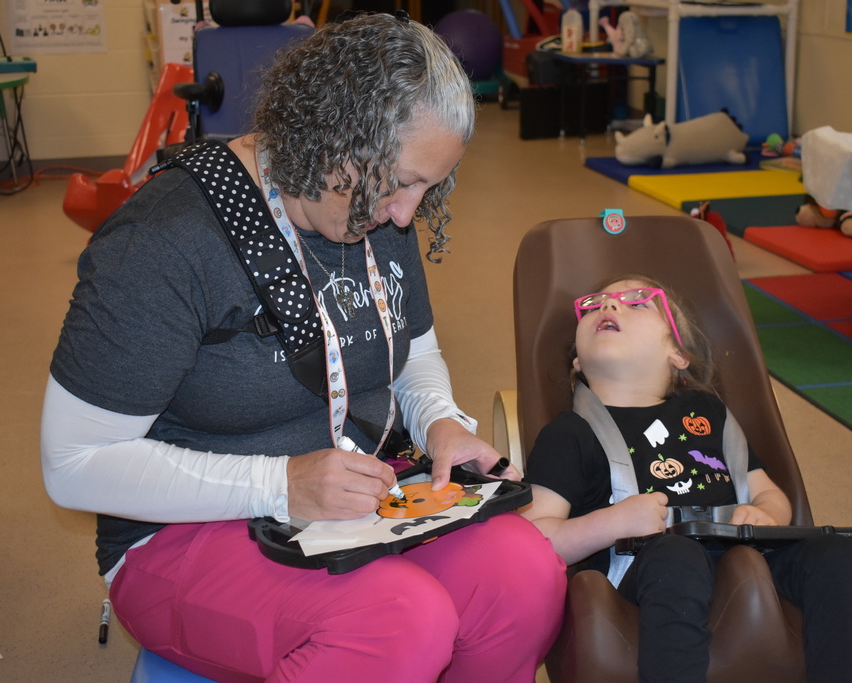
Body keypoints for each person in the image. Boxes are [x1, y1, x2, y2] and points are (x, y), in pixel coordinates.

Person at [40, 13, 565, 682]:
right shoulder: (162, 242)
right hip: (182, 531)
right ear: (326, 136)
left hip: (359, 498)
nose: (407, 214)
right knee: (401, 623)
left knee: (524, 574)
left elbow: (416, 347)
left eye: (428, 187)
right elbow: (73, 463)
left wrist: (438, 421)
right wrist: (278, 483)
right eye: (401, 182)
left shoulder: (371, 203)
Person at [519, 274, 852, 683]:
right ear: (578, 362)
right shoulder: (570, 433)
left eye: (637, 302)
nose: (609, 306)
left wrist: (766, 515)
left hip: (744, 553)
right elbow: (534, 539)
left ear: (677, 353)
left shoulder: (708, 412)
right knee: (678, 555)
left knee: (833, 552)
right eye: (595, 304)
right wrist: (612, 523)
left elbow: (767, 492)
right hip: (643, 567)